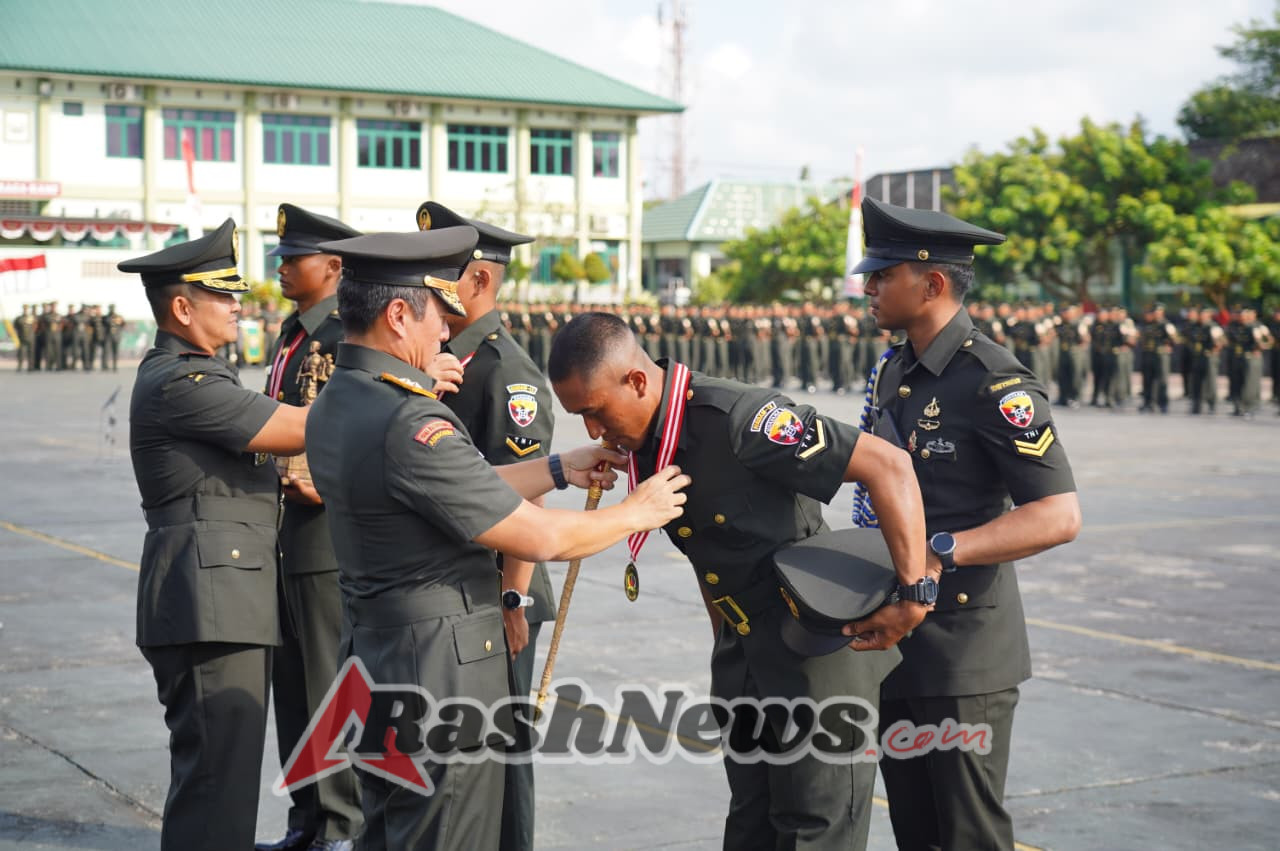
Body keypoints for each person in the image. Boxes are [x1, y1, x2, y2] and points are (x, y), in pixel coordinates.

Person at [305, 227, 689, 851]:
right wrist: (635, 513)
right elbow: (537, 536)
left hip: (372, 657)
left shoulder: (340, 400)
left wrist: (561, 467)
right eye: (436, 315)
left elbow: (458, 483)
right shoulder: (408, 418)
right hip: (437, 676)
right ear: (399, 314)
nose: (442, 333)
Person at [548, 310, 931, 850]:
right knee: (751, 824)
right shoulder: (657, 439)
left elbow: (888, 466)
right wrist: (729, 644)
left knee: (815, 831)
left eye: (594, 412)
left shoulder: (741, 419)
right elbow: (713, 556)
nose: (593, 430)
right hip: (744, 657)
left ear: (636, 381)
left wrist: (915, 594)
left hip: (812, 655)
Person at [854, 197, 1081, 851]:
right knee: (917, 833)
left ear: (931, 282)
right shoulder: (897, 370)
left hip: (962, 657)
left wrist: (942, 549)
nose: (868, 286)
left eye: (881, 273)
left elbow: (1058, 514)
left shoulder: (992, 382)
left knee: (966, 835)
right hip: (898, 642)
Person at [118, 218, 311, 851]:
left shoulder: (202, 374)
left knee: (222, 784)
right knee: (215, 790)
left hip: (223, 600)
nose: (238, 305)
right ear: (181, 306)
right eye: (222, 295)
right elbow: (295, 427)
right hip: (210, 605)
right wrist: (400, 379)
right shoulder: (183, 381)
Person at [416, 201, 551, 851]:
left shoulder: (506, 370)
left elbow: (528, 499)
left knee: (501, 748)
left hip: (500, 591)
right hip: (455, 588)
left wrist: (512, 597)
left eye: (439, 275)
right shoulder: (441, 358)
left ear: (478, 281)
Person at [254, 204, 364, 851]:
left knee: (327, 685)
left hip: (325, 538)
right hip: (284, 533)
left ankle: (341, 825)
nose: (283, 267)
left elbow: (367, 429)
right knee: (293, 689)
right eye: (283, 256)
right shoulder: (292, 333)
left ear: (333, 266)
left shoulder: (347, 335)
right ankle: (307, 818)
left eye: (294, 258)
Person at [102, 303, 125, 371]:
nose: (112, 309)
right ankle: (105, 365)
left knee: (115, 351)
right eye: (111, 308)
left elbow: (123, 324)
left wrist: (120, 321)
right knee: (106, 351)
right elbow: (104, 324)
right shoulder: (105, 317)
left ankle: (114, 366)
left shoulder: (119, 316)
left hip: (116, 336)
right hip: (108, 337)